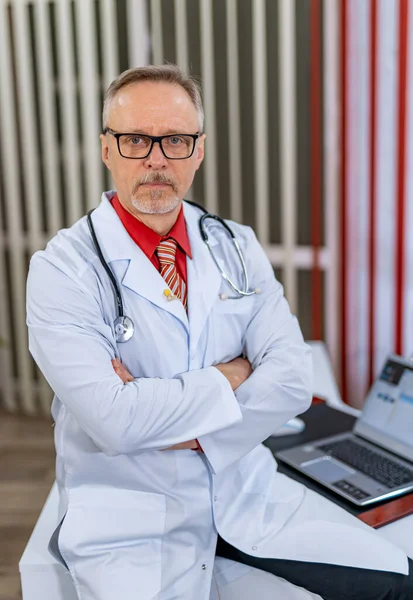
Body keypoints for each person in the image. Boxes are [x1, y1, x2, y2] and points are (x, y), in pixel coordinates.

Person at [26, 64, 413, 600]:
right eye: (136, 139)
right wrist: (234, 372)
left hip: (243, 490)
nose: (156, 159)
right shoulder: (63, 269)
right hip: (131, 523)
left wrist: (164, 423)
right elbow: (113, 423)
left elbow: (293, 380)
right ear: (107, 149)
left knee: (399, 580)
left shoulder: (236, 245)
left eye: (176, 140)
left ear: (199, 150)